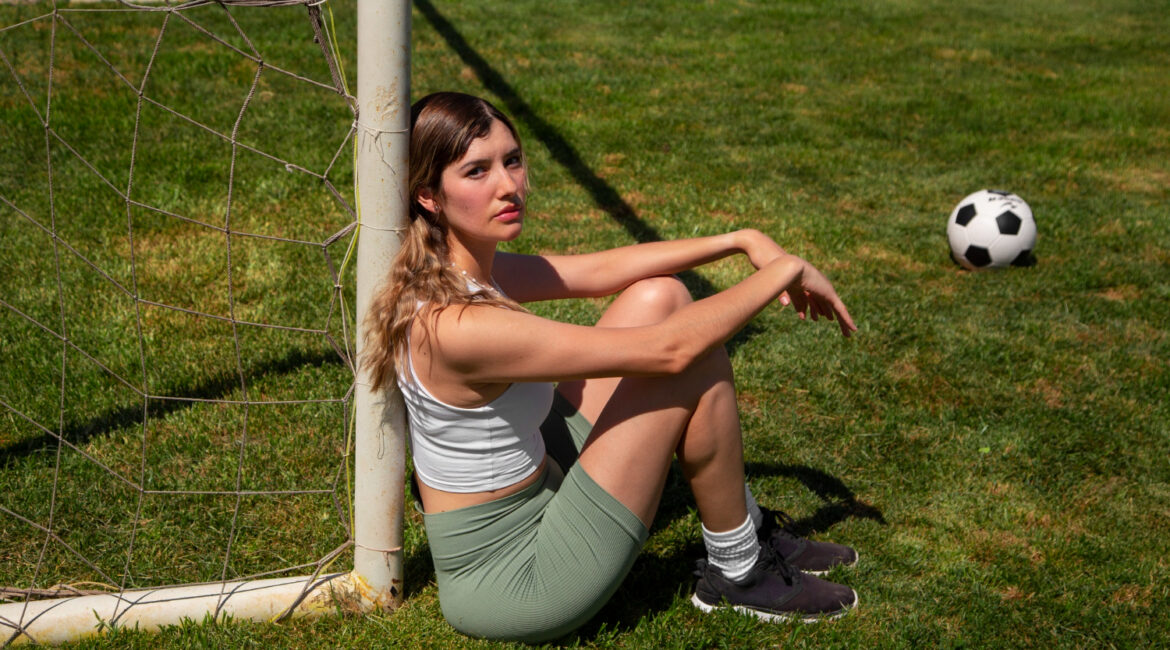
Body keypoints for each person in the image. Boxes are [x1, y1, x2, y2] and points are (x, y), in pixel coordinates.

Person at [363, 91, 860, 643]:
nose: (508, 185)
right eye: (477, 171)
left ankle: (743, 526)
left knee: (660, 295)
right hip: (515, 579)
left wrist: (740, 241)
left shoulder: (450, 269)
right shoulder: (457, 326)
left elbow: (601, 269)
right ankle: (739, 568)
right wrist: (783, 271)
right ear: (429, 196)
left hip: (542, 483)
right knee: (690, 359)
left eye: (513, 160)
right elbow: (667, 352)